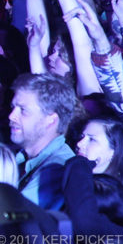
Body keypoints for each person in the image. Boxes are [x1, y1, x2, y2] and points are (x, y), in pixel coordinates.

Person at [9, 73, 78, 209]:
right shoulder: (18, 157)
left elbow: (11, 218)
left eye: (23, 110)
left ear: (50, 120)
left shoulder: (56, 168)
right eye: (13, 108)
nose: (11, 116)